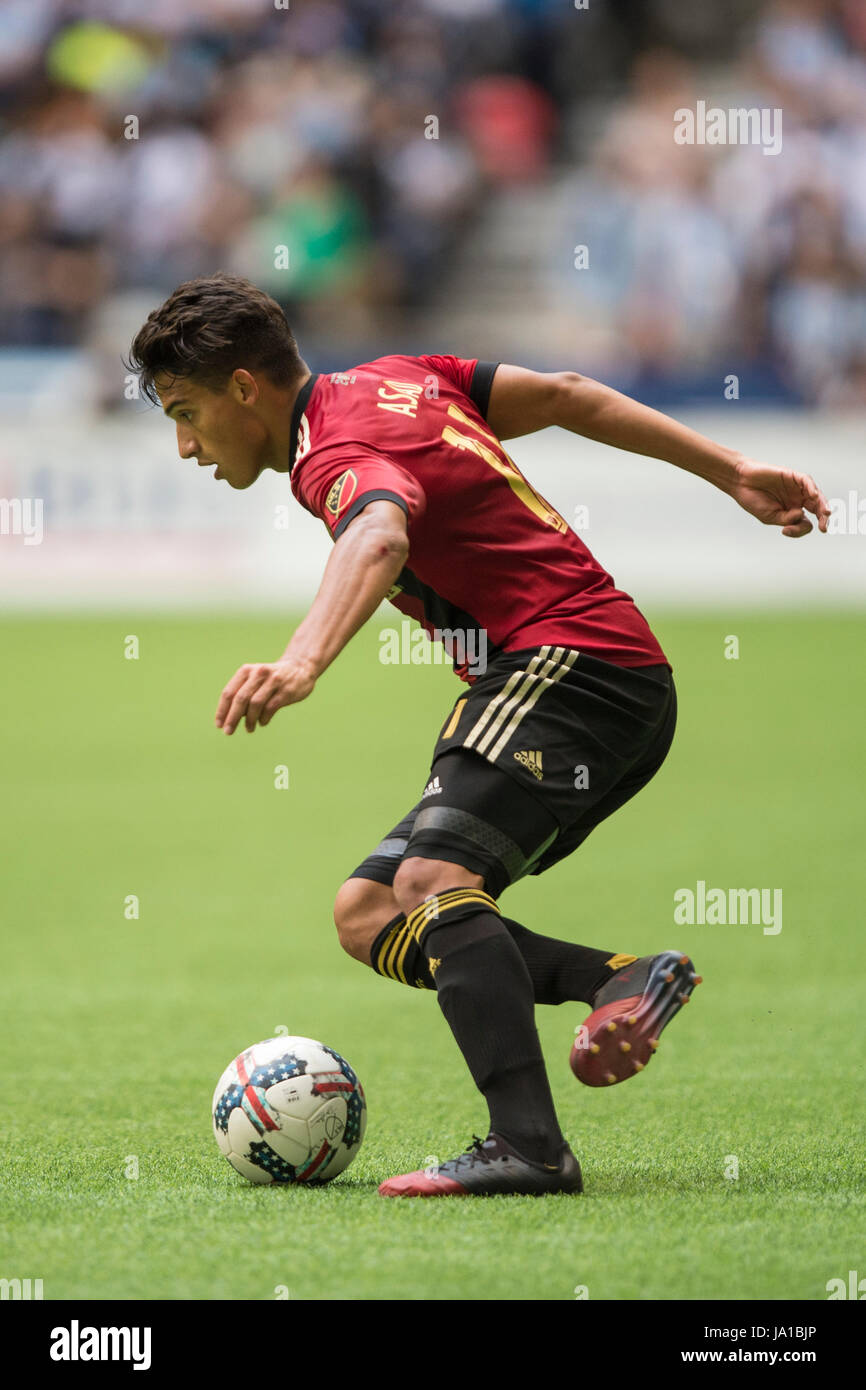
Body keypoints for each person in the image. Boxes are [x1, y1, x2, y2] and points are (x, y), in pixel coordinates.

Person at [128, 272, 829, 1197]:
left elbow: (377, 537)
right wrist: (729, 468)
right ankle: (623, 977)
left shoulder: (330, 450)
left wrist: (300, 663)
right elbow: (572, 395)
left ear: (245, 390)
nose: (184, 444)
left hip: (575, 667)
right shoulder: (399, 378)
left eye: (187, 411)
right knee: (370, 912)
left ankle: (528, 1146)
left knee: (431, 881)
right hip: (590, 678)